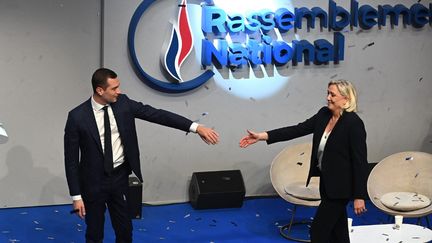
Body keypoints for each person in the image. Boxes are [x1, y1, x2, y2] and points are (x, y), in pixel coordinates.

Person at [64, 68, 219, 243]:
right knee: (94, 233)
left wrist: (195, 127)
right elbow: (70, 161)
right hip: (93, 183)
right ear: (100, 90)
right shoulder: (77, 117)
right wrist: (76, 197)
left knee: (124, 230)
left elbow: (158, 115)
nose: (119, 91)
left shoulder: (123, 103)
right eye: (114, 88)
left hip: (119, 178)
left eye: (119, 86)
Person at [239, 80, 368, 243]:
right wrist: (263, 136)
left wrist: (359, 196)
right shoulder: (323, 115)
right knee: (338, 232)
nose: (328, 97)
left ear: (346, 99)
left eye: (332, 94)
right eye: (327, 93)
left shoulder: (353, 124)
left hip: (341, 189)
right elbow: (297, 129)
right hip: (326, 185)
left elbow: (360, 162)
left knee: (318, 231)